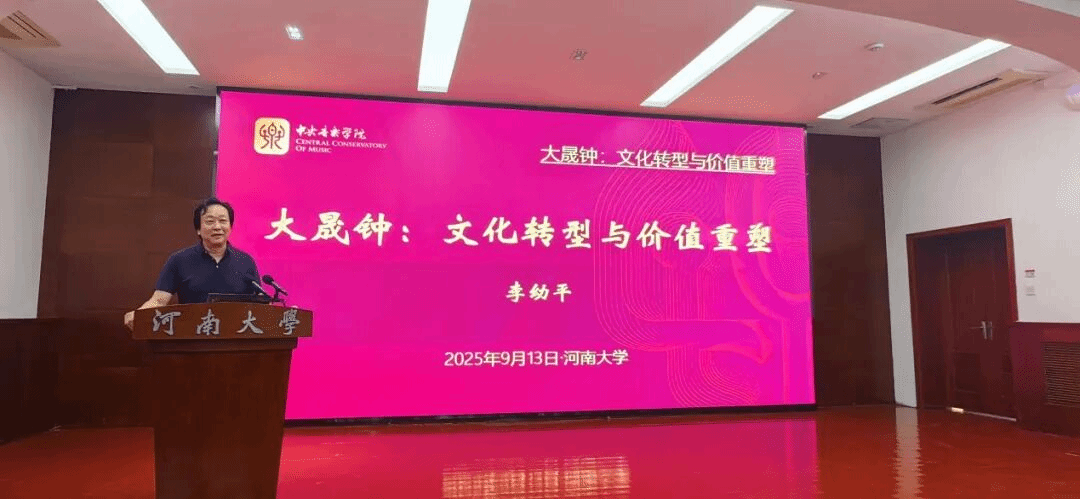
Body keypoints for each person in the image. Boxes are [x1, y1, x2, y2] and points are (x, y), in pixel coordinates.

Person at [123, 198, 263, 330]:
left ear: (230, 227)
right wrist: (139, 314)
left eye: (223, 221)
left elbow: (260, 305)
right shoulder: (179, 260)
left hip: (235, 339)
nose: (217, 227)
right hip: (192, 336)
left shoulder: (245, 261)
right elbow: (159, 300)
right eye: (210, 221)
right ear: (198, 229)